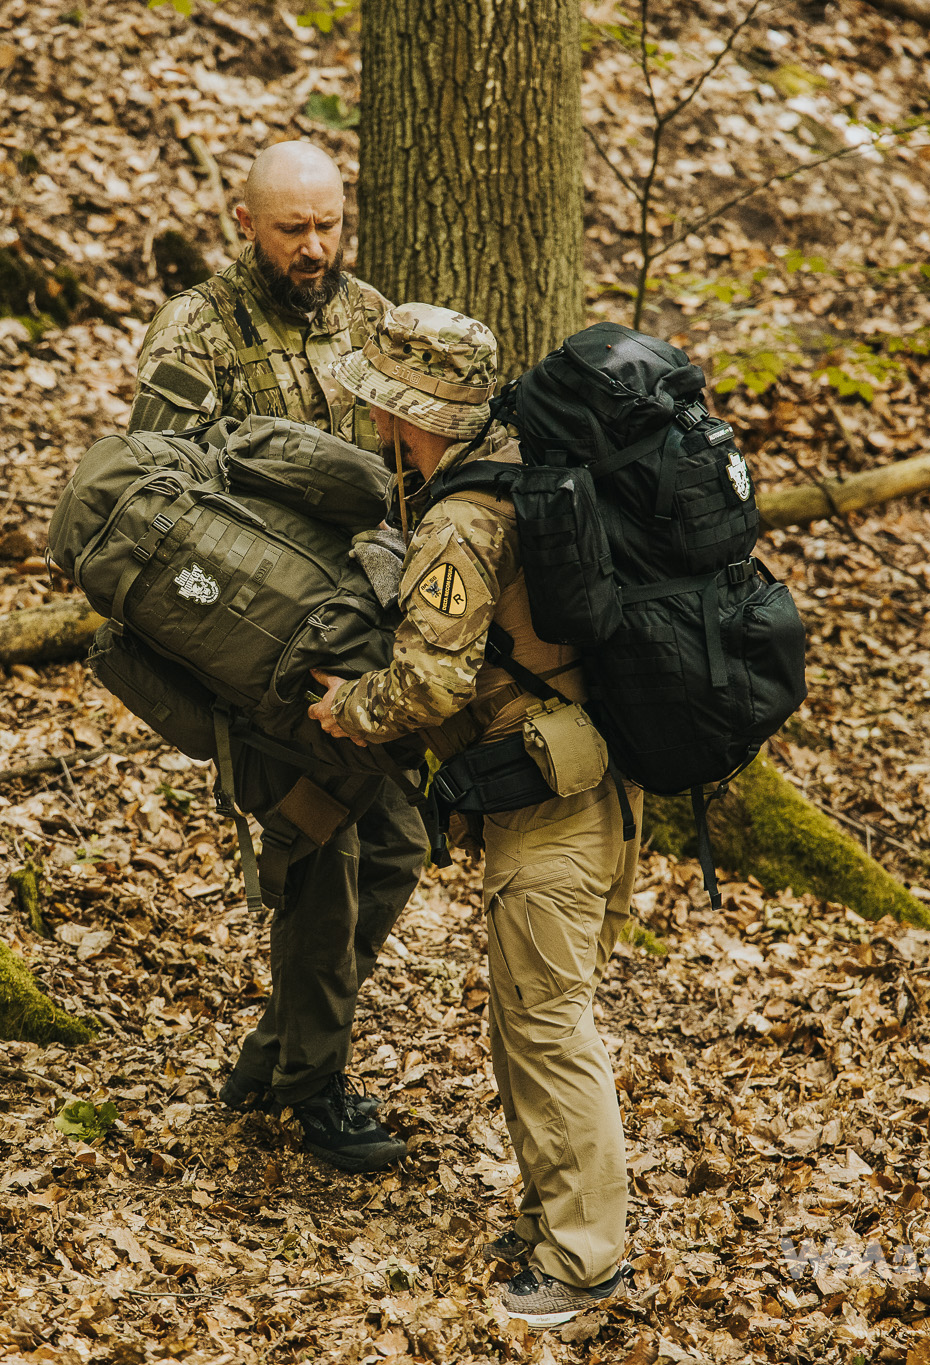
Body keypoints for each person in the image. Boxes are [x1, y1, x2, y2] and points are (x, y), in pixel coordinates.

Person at [307, 303, 639, 1326]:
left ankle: (584, 1267)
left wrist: (343, 708)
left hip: (551, 806)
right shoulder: (523, 460)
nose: (373, 425)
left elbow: (429, 684)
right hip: (589, 781)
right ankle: (555, 1229)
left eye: (383, 407)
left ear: (413, 414)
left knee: (546, 1025)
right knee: (531, 1017)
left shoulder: (461, 514)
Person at [128, 141, 426, 1174]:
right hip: (252, 644)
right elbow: (151, 504)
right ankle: (311, 1087)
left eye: (328, 224)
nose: (314, 247)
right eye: (292, 228)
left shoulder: (364, 313)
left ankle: (274, 1056)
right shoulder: (197, 332)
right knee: (322, 860)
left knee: (390, 850)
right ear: (241, 221)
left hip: (355, 635)